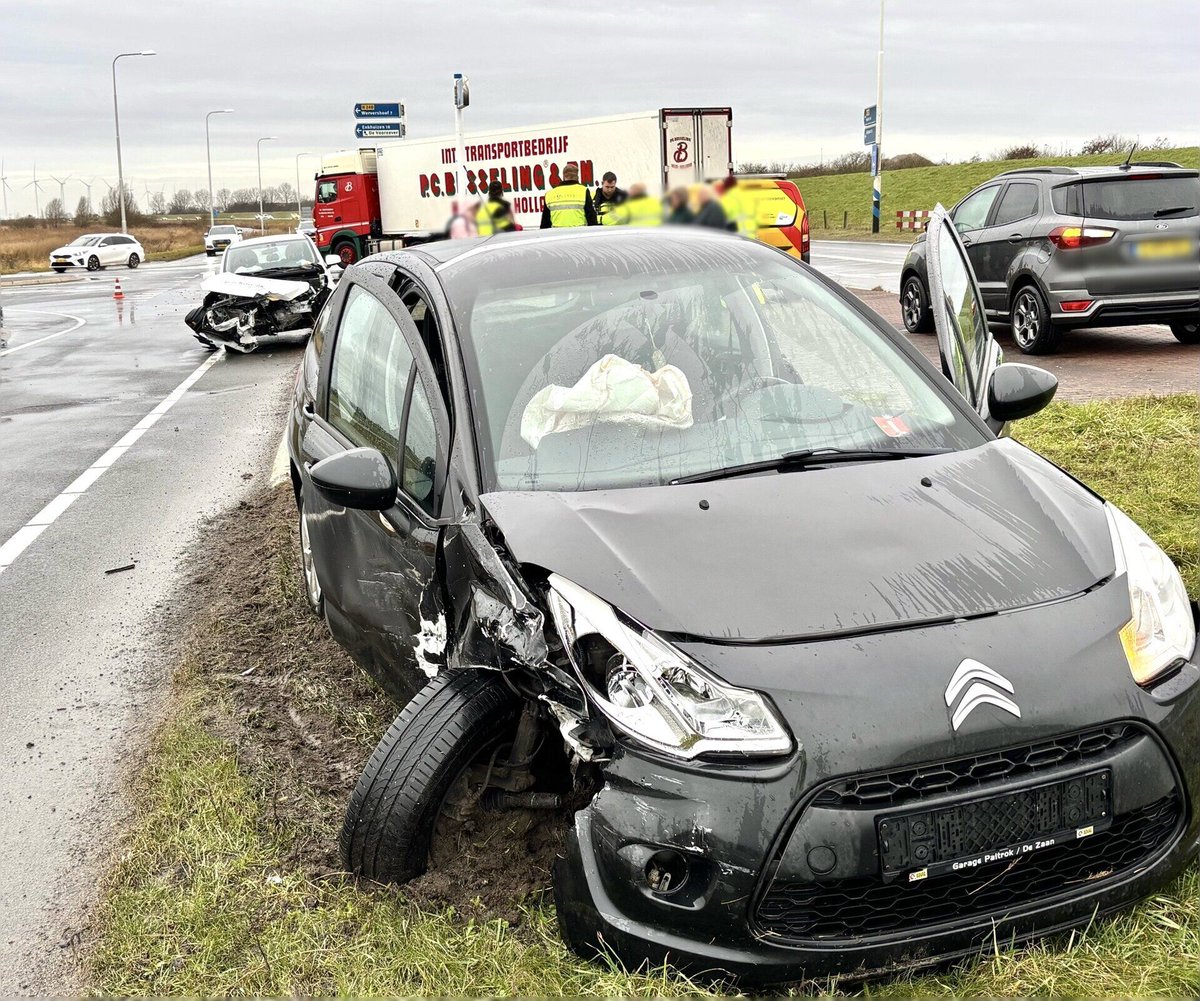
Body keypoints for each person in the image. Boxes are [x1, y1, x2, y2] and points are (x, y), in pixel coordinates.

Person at [540, 163, 598, 228]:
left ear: (564, 177)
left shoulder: (550, 194)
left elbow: (545, 223)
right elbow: (591, 218)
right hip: (579, 235)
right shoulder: (583, 191)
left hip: (557, 235)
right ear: (577, 177)